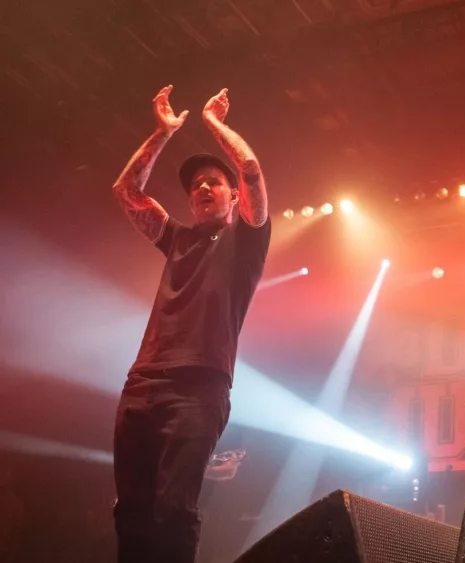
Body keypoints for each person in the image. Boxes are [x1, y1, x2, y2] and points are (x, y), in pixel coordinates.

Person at [110, 85, 270, 563]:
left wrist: (216, 126)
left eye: (213, 182)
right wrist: (162, 133)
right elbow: (126, 192)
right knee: (131, 512)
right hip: (141, 385)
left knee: (174, 510)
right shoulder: (176, 238)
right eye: (195, 183)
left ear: (233, 197)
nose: (201, 187)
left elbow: (253, 171)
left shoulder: (246, 242)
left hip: (198, 388)